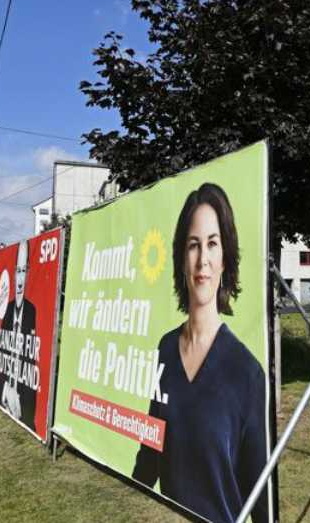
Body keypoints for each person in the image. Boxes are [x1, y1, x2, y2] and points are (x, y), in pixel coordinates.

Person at [132, 183, 268, 523]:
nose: (202, 259)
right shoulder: (164, 349)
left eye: (212, 244)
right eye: (193, 245)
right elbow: (150, 453)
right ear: (181, 257)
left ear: (225, 258)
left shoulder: (247, 373)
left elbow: (262, 498)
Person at [0, 239, 39, 430]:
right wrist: (3, 391)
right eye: (17, 271)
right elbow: (0, 355)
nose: (20, 279)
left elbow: (33, 362)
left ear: (28, 274)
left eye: (24, 271)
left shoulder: (32, 311)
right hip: (4, 394)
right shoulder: (8, 310)